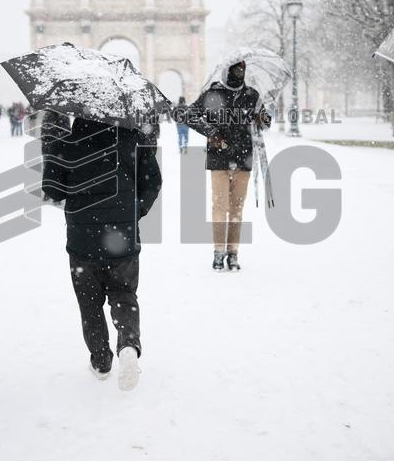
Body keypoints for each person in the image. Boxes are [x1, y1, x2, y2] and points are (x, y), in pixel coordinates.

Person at [42, 116, 162, 391]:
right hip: (123, 239)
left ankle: (100, 359)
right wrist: (136, 210)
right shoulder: (132, 139)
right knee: (124, 294)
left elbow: (52, 190)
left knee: (89, 301)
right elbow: (153, 182)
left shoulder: (66, 144)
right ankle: (128, 344)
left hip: (82, 242)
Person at [185, 60, 270, 271]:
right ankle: (218, 251)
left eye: (243, 69)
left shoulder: (252, 95)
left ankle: (233, 253)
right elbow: (189, 115)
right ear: (228, 70)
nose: (240, 73)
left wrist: (262, 118)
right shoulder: (213, 93)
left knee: (236, 209)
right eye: (237, 69)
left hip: (243, 157)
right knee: (219, 207)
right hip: (219, 157)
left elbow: (267, 121)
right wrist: (212, 132)